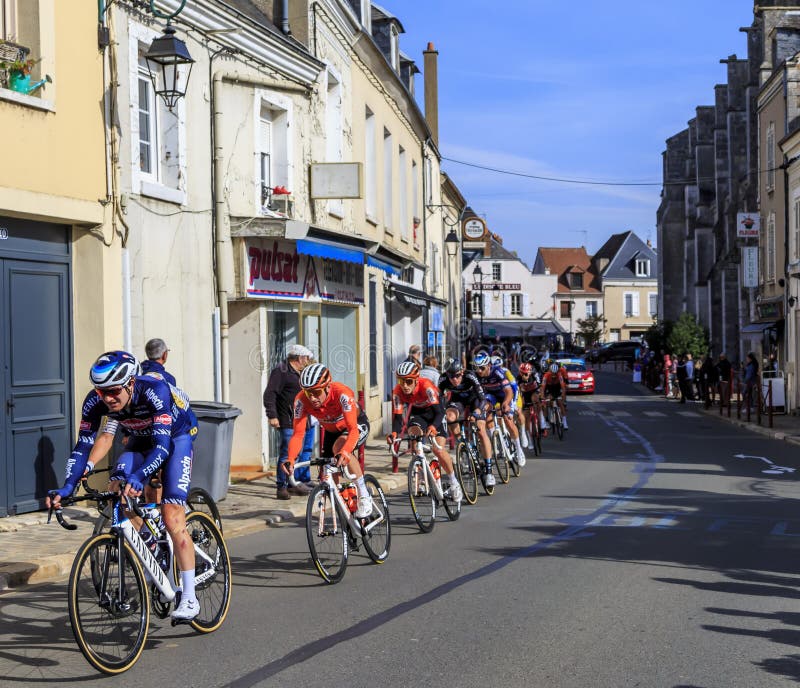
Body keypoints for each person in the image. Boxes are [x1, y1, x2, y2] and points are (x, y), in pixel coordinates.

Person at [47, 351, 200, 621]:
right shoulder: (96, 402)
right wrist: (67, 486)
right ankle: (152, 544)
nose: (107, 398)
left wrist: (140, 477)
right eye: (101, 391)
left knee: (172, 515)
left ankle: (189, 597)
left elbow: (163, 449)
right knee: (117, 485)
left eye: (114, 391)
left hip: (175, 439)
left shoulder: (155, 391)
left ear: (130, 383)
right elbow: (83, 445)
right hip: (140, 439)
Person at [283, 363, 374, 518]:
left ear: (327, 387)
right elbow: (298, 434)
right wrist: (290, 459)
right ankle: (347, 509)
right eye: (307, 392)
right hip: (332, 431)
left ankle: (364, 495)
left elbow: (352, 430)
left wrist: (345, 452)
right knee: (328, 471)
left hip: (354, 425)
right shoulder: (301, 400)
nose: (312, 397)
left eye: (316, 392)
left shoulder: (342, 393)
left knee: (340, 447)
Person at [388, 361, 463, 502]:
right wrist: (394, 434)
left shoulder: (426, 386)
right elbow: (398, 418)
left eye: (409, 381)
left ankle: (454, 482)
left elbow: (440, 413)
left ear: (416, 380)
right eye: (401, 381)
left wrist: (434, 427)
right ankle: (421, 473)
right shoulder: (397, 391)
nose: (404, 385)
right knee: (413, 434)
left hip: (436, 413)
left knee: (438, 450)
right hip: (419, 414)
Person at [263, 344, 315, 500]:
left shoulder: (300, 373)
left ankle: (292, 483)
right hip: (287, 419)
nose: (308, 361)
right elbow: (270, 394)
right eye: (307, 358)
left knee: (296, 453)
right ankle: (282, 486)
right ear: (299, 358)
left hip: (301, 420)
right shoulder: (281, 371)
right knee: (287, 454)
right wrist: (272, 415)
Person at [438, 360, 494, 473]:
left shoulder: (470, 376)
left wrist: (478, 411)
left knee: (480, 429)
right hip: (458, 401)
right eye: (451, 376)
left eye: (457, 375)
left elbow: (482, 399)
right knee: (449, 417)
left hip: (475, 399)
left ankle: (489, 469)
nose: (454, 379)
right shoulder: (443, 379)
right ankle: (462, 445)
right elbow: (438, 400)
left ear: (462, 372)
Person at [541, 361, 569, 430]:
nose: (553, 375)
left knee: (560, 403)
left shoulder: (559, 375)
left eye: (555, 374)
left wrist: (563, 395)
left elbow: (563, 387)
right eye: (552, 374)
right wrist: (542, 396)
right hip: (548, 387)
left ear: (557, 372)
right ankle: (546, 420)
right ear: (550, 371)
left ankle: (565, 422)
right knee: (546, 403)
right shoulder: (546, 375)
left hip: (557, 387)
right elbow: (543, 387)